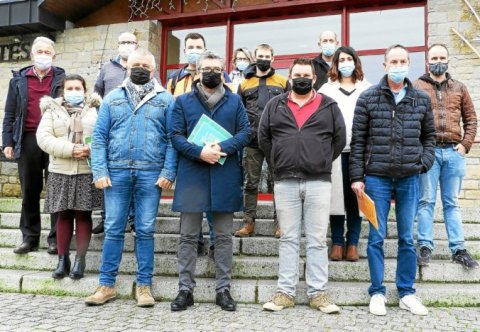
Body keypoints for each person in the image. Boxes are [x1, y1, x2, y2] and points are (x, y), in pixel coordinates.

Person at [84, 48, 177, 307]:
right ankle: (106, 285)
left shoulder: (166, 100)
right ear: (126, 67)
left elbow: (172, 139)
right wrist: (99, 171)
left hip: (151, 173)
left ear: (154, 70)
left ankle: (144, 286)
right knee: (113, 228)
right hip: (116, 172)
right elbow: (99, 138)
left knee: (145, 230)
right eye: (136, 64)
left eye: (145, 66)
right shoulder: (112, 98)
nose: (140, 69)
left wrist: (168, 171)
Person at [349, 44, 436, 316]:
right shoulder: (368, 98)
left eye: (403, 61)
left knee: (407, 238)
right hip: (376, 177)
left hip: (410, 177)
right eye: (393, 61)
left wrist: (424, 163)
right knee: (376, 236)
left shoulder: (420, 98)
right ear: (384, 65)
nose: (398, 66)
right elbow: (358, 141)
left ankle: (406, 292)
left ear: (409, 64)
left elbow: (429, 137)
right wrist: (356, 177)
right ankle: (377, 291)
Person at [260, 58, 345, 313]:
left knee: (317, 239)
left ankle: (318, 293)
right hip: (285, 181)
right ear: (290, 76)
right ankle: (285, 292)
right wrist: (278, 161)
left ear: (314, 78)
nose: (302, 78)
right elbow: (263, 137)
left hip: (318, 181)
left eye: (306, 75)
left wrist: (318, 159)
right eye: (297, 74)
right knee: (288, 238)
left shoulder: (329, 105)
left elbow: (339, 140)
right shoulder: (275, 105)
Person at [170, 51, 250, 312]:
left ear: (223, 71)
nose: (212, 72)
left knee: (224, 237)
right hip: (193, 174)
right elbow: (175, 136)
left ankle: (223, 289)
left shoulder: (235, 101)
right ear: (197, 72)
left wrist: (221, 147)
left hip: (224, 174)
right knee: (188, 236)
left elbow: (245, 132)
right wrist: (199, 152)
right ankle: (185, 290)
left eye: (216, 68)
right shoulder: (182, 101)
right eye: (207, 68)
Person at [166, 32, 230, 257]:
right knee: (193, 202)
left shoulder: (221, 75)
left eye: (198, 46)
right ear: (185, 50)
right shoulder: (175, 78)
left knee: (214, 202)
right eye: (190, 46)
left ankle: (214, 241)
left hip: (216, 148)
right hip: (188, 149)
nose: (194, 49)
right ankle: (197, 241)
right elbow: (169, 108)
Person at [414, 44, 478, 269]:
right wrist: (420, 148)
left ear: (448, 61)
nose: (438, 61)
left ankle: (459, 249)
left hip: (453, 151)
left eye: (442, 57)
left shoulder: (459, 87)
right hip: (429, 152)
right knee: (426, 201)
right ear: (427, 61)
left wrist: (465, 145)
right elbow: (411, 120)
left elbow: (471, 119)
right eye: (434, 57)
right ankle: (424, 246)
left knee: (451, 203)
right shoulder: (417, 86)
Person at [36, 74, 103, 280]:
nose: (74, 92)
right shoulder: (51, 111)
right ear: (63, 91)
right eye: (70, 88)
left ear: (85, 90)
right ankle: (62, 259)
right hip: (60, 170)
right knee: (63, 215)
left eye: (78, 88)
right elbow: (43, 138)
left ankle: (79, 260)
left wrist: (89, 149)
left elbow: (104, 136)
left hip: (86, 171)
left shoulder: (95, 110)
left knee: (83, 215)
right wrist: (71, 149)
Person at [2, 36, 63, 255]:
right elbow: (10, 113)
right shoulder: (18, 79)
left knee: (56, 189)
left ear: (54, 56)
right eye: (40, 52)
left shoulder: (62, 79)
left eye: (48, 52)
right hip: (27, 138)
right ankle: (29, 237)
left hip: (55, 140)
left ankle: (56, 239)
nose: (43, 56)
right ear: (32, 55)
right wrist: (7, 141)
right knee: (29, 190)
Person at [319, 46, 371, 262]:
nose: (345, 63)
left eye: (349, 59)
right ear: (336, 64)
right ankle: (338, 243)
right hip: (334, 151)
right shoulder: (326, 90)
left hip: (360, 152)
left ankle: (352, 243)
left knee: (355, 200)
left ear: (356, 61)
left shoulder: (367, 88)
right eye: (341, 60)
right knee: (336, 199)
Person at [234, 43, 289, 238]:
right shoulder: (244, 84)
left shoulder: (283, 82)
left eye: (267, 56)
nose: (263, 59)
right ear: (254, 58)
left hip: (276, 142)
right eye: (260, 56)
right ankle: (248, 223)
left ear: (273, 58)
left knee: (279, 184)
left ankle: (280, 224)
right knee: (250, 183)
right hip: (252, 141)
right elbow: (238, 112)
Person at [92, 31, 139, 235]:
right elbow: (96, 95)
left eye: (130, 42)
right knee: (111, 177)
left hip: (137, 131)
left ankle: (134, 219)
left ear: (137, 45)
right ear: (117, 45)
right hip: (112, 132)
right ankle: (106, 218)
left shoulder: (143, 67)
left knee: (135, 177)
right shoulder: (106, 69)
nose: (126, 45)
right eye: (123, 42)